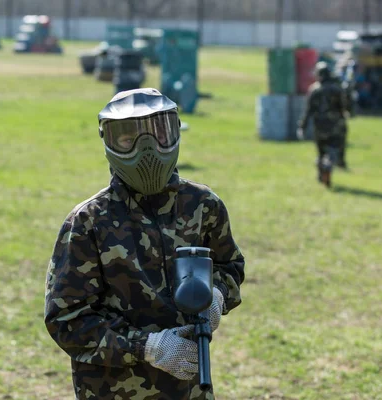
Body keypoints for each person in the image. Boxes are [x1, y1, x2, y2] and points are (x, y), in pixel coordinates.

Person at [44, 88, 245, 399]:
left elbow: (229, 267)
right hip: (112, 390)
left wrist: (217, 295)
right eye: (128, 139)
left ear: (175, 132)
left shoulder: (203, 205)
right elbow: (67, 320)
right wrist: (147, 347)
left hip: (187, 389)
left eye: (158, 134)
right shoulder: (88, 222)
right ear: (109, 143)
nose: (147, 150)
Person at [297, 61, 348, 188]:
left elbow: (308, 110)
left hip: (319, 126)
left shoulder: (314, 90)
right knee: (332, 150)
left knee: (320, 152)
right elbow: (344, 107)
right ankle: (328, 166)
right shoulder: (336, 89)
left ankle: (321, 174)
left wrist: (302, 126)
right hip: (334, 125)